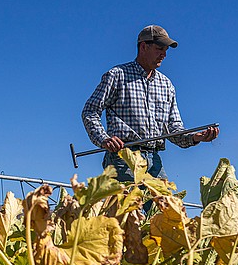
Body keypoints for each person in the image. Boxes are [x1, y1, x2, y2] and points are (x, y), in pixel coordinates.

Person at [81, 24, 219, 182]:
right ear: (143, 46)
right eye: (160, 48)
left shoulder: (166, 85)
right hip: (123, 158)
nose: (164, 54)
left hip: (154, 160)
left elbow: (174, 129)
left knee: (165, 205)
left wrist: (196, 137)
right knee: (127, 206)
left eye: (166, 50)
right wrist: (104, 139)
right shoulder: (117, 75)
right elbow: (90, 111)